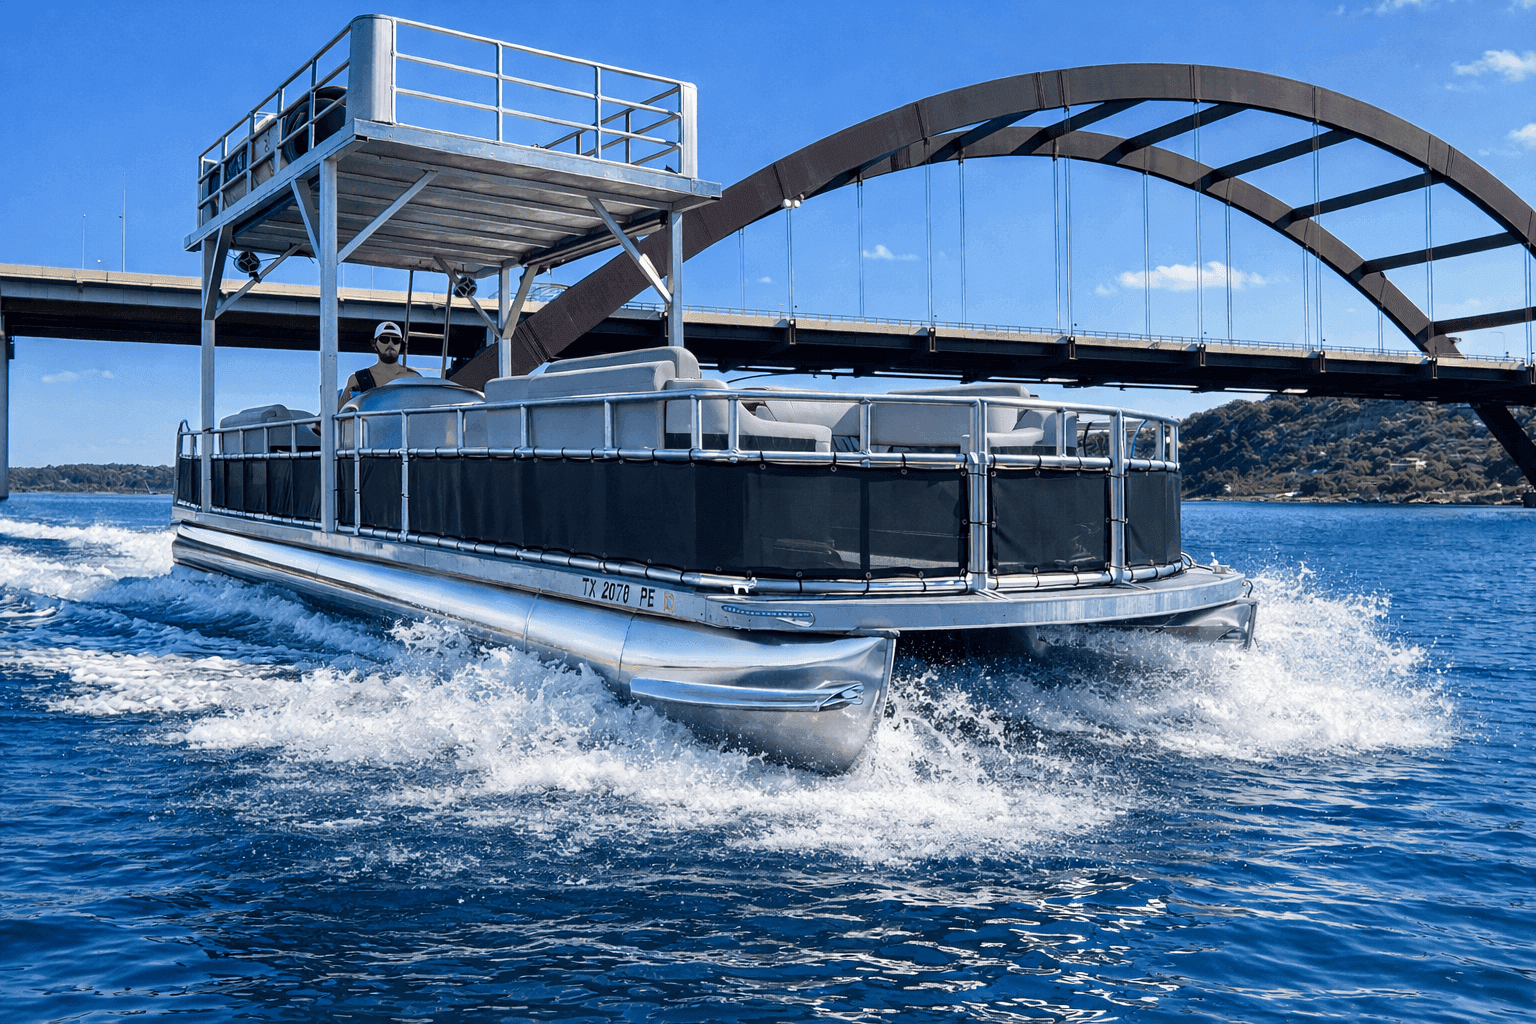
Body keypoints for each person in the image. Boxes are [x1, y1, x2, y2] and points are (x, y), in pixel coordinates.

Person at [339, 322, 420, 409]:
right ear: (374, 344)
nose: (390, 344)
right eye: (384, 339)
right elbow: (339, 414)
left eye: (396, 340)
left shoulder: (415, 378)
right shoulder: (359, 379)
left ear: (401, 345)